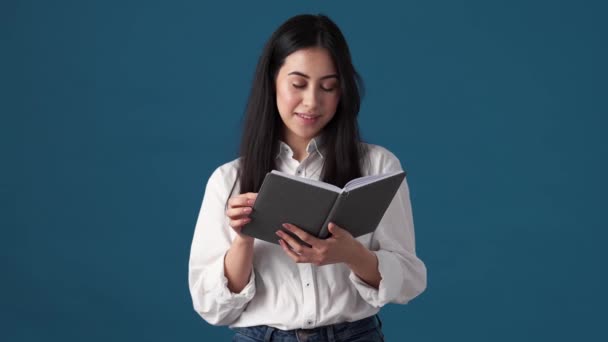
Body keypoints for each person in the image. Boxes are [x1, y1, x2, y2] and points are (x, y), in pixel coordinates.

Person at [189, 13, 427, 342]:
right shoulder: (228, 180)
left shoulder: (377, 166)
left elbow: (411, 280)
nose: (312, 101)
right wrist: (243, 238)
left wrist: (351, 254)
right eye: (298, 84)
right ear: (272, 81)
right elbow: (211, 307)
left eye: (328, 87)